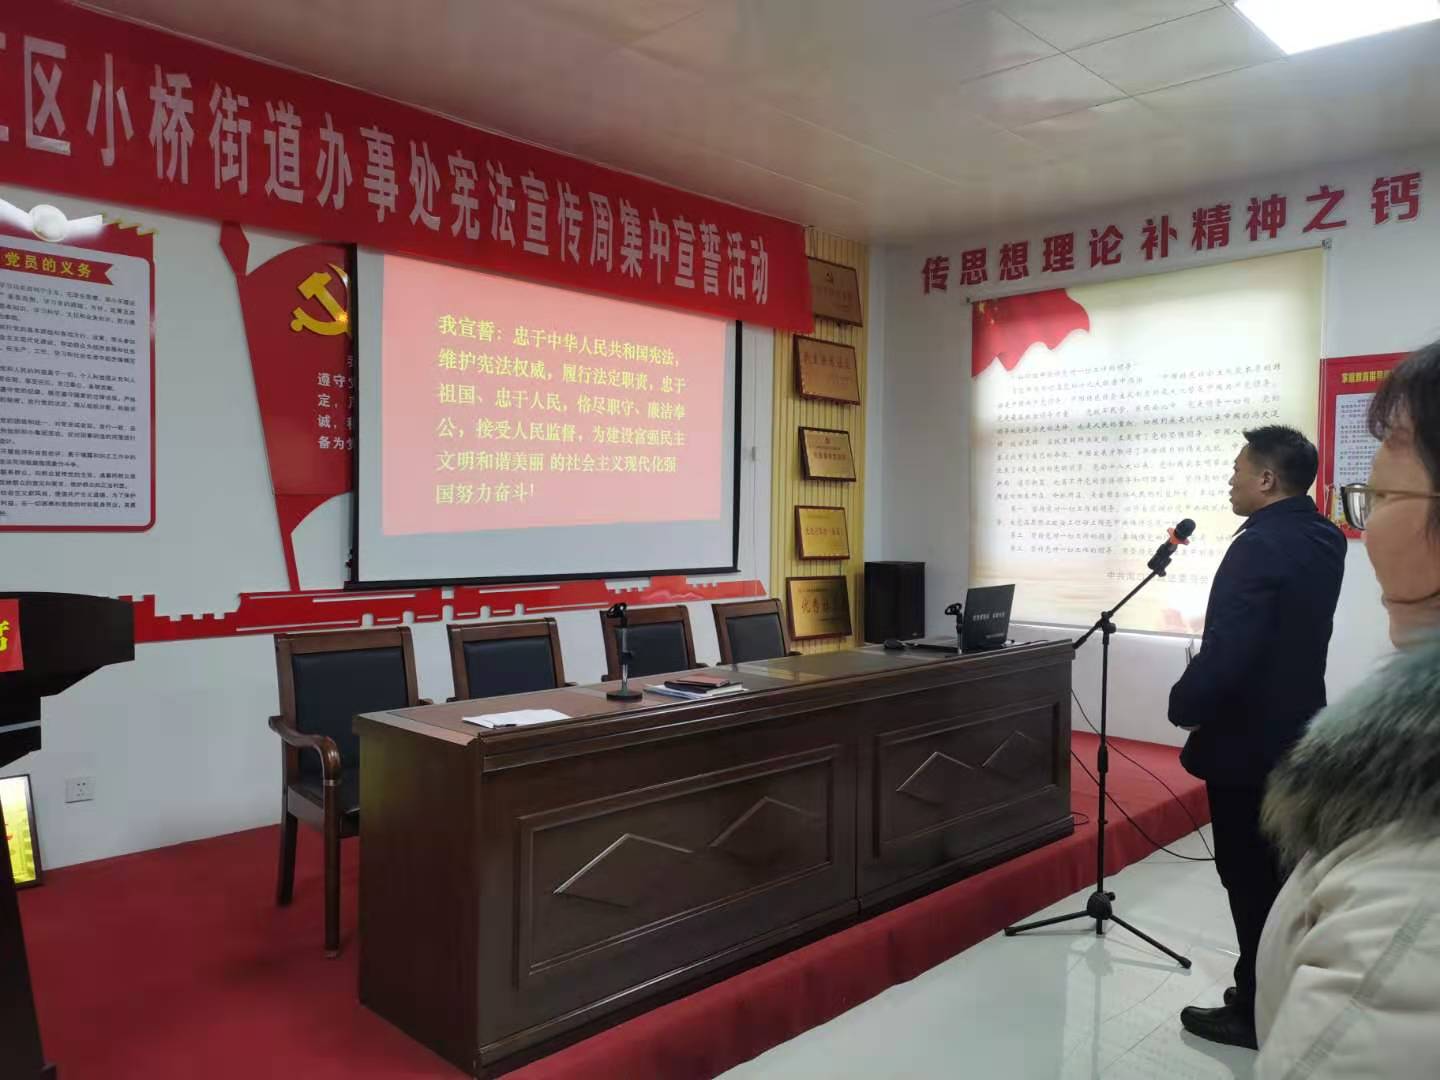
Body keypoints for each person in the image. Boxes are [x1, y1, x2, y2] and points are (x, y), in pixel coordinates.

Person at [1254, 343, 1440, 1077]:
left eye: (1385, 498)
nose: (1371, 528)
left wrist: (1187, 705)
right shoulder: (1317, 535)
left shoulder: (1410, 892)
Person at [1169, 425, 1346, 1049]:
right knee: (1282, 875)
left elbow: (1231, 648)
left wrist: (1185, 704)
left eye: (1239, 468)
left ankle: (1254, 1012)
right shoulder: (1323, 535)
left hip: (1246, 744)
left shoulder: (1258, 546)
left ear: (1267, 479)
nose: (1231, 479)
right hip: (1298, 731)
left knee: (1248, 880)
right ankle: (1272, 987)